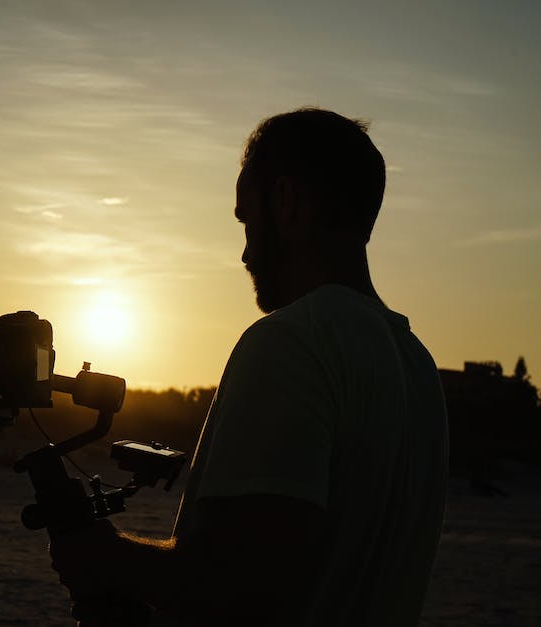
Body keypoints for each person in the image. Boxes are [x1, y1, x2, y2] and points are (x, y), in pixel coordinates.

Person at [49, 107, 449, 627]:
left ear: (285, 202)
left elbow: (239, 588)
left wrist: (106, 558)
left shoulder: (291, 342)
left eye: (246, 219)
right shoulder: (418, 367)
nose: (243, 252)